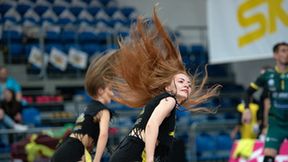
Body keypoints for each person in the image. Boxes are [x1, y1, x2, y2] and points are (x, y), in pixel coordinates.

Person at [108, 8, 220, 162]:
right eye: (180, 81)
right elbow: (151, 126)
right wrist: (150, 159)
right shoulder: (169, 100)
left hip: (126, 153)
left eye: (188, 83)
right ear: (168, 87)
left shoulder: (164, 102)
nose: (186, 85)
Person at [51, 51, 116, 162]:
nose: (113, 93)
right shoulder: (103, 111)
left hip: (63, 150)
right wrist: (97, 159)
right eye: (110, 89)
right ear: (100, 90)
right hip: (72, 152)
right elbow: (103, 135)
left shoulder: (88, 107)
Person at [242, 42, 288, 162]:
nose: (287, 54)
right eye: (283, 51)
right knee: (268, 157)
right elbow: (248, 92)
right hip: (276, 124)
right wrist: (246, 109)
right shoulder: (268, 76)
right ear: (275, 55)